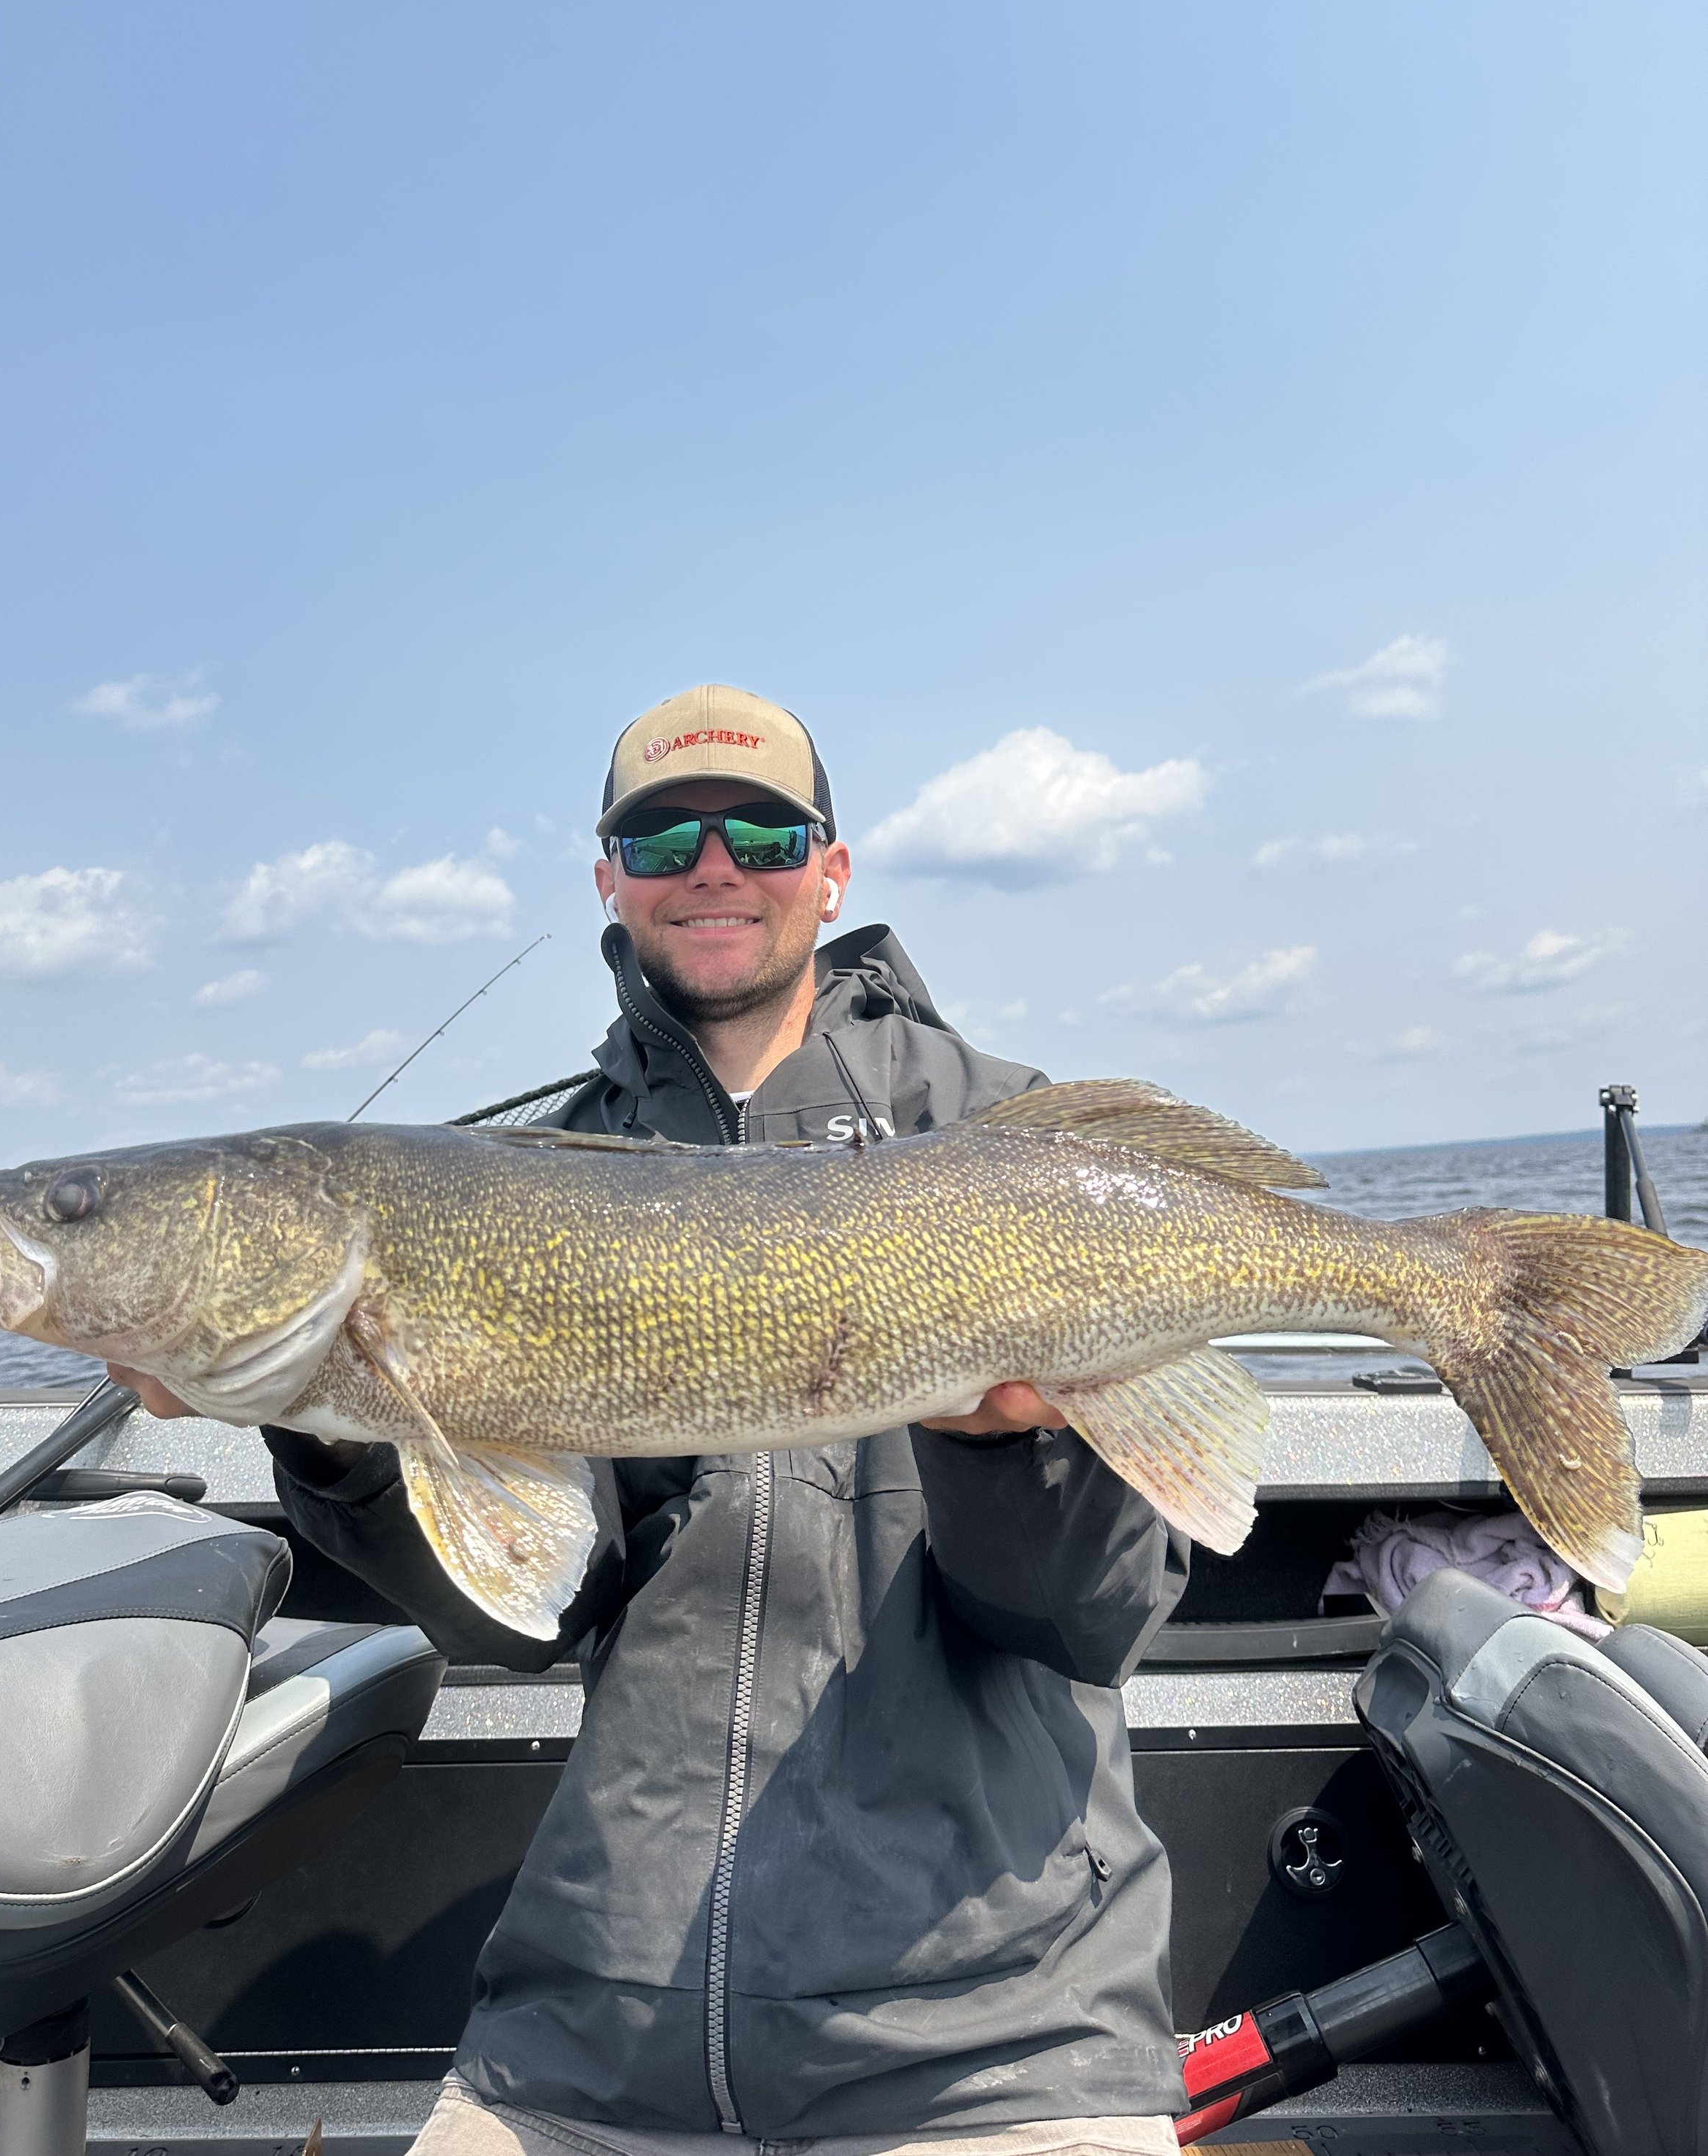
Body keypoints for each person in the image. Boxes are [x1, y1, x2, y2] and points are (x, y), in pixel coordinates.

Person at [117, 684, 1191, 2154]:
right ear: (605, 873)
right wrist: (328, 1420)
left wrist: (1011, 1442)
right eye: (660, 829)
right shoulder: (526, 1181)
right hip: (592, 2039)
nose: (712, 861)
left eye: (760, 826)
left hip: (991, 2038)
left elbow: (1092, 1617)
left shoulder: (1007, 1135)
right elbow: (522, 1613)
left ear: (831, 866)